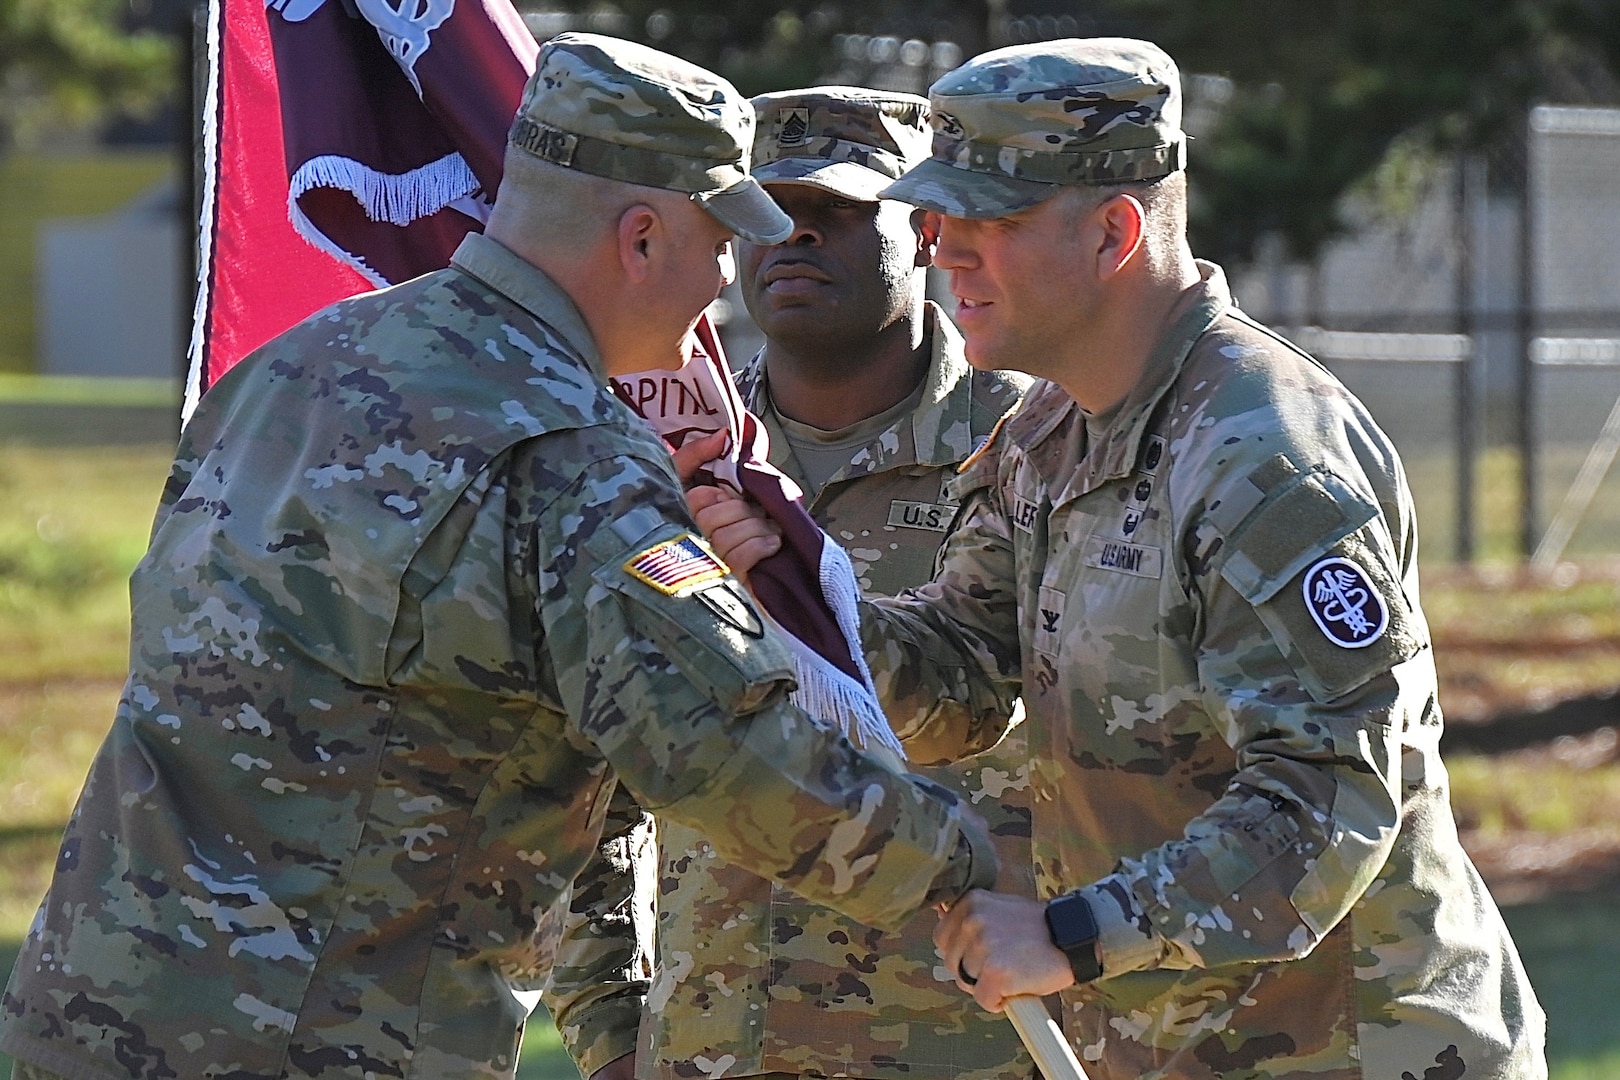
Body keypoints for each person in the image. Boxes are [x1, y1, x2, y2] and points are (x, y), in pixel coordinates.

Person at [0, 34, 1000, 1080]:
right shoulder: (571, 454)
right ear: (642, 239)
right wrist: (973, 875)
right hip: (317, 1034)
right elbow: (727, 752)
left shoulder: (290, 370)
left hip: (95, 1006)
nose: (720, 285)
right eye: (717, 242)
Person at [690, 37, 1547, 1080]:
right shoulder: (1050, 431)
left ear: (1114, 231)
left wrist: (1075, 932)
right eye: (936, 215)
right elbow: (961, 682)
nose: (941, 248)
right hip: (1173, 1048)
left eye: (986, 220)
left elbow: (1330, 801)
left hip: (1359, 1050)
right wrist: (794, 591)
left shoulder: (1264, 454)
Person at [544, 88, 1036, 1080]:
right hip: (713, 1044)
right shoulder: (658, 454)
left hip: (964, 1045)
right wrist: (608, 1027)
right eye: (766, 212)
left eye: (845, 208)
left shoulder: (1034, 449)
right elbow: (581, 764)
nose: (798, 232)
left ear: (929, 230)